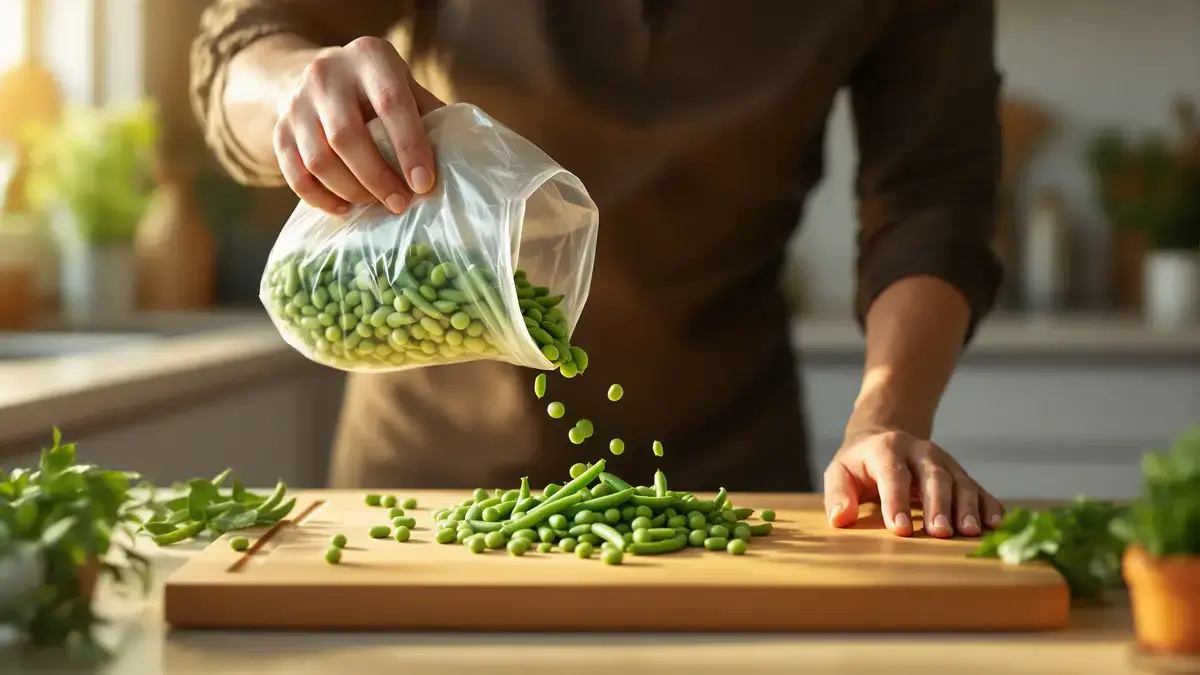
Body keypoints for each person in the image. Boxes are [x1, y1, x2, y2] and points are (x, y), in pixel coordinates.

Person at [191, 0, 1006, 539]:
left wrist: (884, 416)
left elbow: (935, 196)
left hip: (725, 479)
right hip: (429, 480)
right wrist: (294, 91)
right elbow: (244, 40)